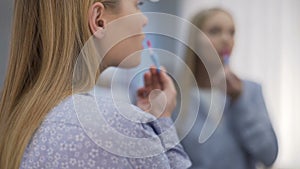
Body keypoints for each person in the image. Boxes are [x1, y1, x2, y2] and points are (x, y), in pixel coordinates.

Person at [0, 0, 191, 168]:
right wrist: (163, 120)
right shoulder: (123, 129)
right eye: (137, 4)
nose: (144, 20)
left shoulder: (15, 120)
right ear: (99, 20)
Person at [178, 7, 278, 169]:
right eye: (215, 31)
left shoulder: (250, 91)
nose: (226, 39)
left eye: (231, 32)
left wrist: (240, 100)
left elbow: (269, 155)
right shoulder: (174, 96)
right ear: (194, 39)